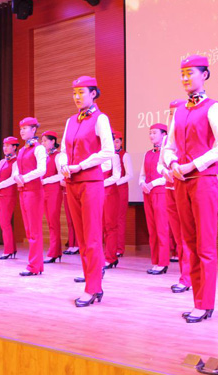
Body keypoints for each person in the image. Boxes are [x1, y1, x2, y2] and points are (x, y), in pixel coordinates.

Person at [162, 55, 218, 323]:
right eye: (182, 74)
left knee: (205, 243)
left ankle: (205, 303)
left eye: (190, 73)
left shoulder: (214, 107)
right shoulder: (180, 110)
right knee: (189, 242)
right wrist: (172, 162)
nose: (185, 78)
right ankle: (197, 301)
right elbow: (169, 146)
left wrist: (193, 164)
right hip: (181, 181)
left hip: (203, 180)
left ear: (205, 75)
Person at [60, 75, 114, 307]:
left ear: (93, 93)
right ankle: (93, 283)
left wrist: (81, 166)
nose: (77, 97)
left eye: (81, 92)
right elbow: (63, 150)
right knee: (81, 237)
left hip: (91, 182)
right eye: (74, 93)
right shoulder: (70, 121)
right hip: (72, 182)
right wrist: (63, 164)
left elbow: (108, 151)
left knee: (91, 236)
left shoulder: (100, 118)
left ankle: (92, 288)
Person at [161, 99, 191, 293]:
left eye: (175, 112)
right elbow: (160, 164)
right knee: (178, 236)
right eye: (170, 113)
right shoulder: (166, 140)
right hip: (170, 189)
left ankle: (188, 277)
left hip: (186, 187)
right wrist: (166, 171)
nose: (172, 116)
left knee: (187, 235)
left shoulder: (188, 132)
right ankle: (184, 275)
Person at [13, 117, 47, 276]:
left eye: (25, 128)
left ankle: (33, 266)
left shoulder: (39, 149)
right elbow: (17, 168)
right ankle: (37, 265)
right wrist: (16, 176)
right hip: (23, 190)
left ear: (34, 130)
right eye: (21, 128)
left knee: (34, 229)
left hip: (34, 191)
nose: (22, 131)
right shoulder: (22, 150)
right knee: (29, 229)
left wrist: (24, 178)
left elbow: (42, 170)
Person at [141, 123, 169, 274]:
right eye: (150, 133)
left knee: (161, 228)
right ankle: (155, 261)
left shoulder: (168, 153)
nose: (151, 135)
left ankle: (163, 262)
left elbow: (168, 175)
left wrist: (153, 183)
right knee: (152, 229)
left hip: (161, 193)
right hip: (148, 193)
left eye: (154, 133)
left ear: (164, 135)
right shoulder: (147, 153)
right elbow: (142, 174)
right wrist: (142, 183)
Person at [0, 137, 20, 260]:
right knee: (3, 223)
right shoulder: (2, 161)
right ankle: (11, 249)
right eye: (4, 145)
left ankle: (8, 250)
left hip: (8, 195)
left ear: (14, 147)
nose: (5, 148)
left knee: (5, 222)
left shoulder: (16, 161)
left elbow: (13, 178)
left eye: (8, 145)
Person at [41, 131, 64, 264]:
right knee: (50, 221)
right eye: (42, 141)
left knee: (53, 221)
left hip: (54, 191)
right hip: (44, 191)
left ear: (53, 141)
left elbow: (61, 175)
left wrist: (45, 181)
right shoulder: (44, 156)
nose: (43, 143)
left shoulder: (58, 156)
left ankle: (54, 252)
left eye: (45, 140)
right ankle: (56, 251)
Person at [102, 134, 122, 270]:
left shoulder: (114, 156)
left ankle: (110, 257)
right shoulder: (99, 156)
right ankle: (103, 256)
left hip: (110, 194)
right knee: (100, 226)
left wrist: (100, 183)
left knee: (110, 226)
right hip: (99, 194)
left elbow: (116, 176)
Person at [114, 130, 133, 258]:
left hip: (120, 189)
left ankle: (119, 248)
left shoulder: (125, 155)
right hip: (110, 189)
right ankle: (111, 247)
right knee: (109, 219)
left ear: (121, 142)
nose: (115, 144)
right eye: (113, 142)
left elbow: (129, 175)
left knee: (119, 219)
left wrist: (116, 182)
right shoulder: (108, 155)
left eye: (117, 142)